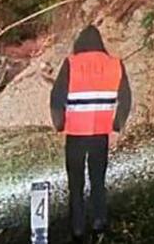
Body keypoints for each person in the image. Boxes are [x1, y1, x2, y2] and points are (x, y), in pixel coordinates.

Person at [49, 26, 132, 243]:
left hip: (76, 134)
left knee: (75, 184)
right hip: (100, 134)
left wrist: (59, 125)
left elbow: (57, 98)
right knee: (98, 180)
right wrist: (116, 126)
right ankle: (99, 222)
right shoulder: (115, 64)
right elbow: (126, 99)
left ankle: (77, 229)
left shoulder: (71, 63)